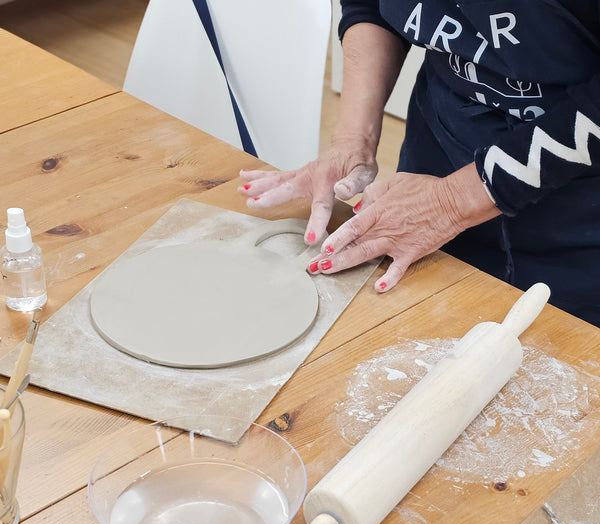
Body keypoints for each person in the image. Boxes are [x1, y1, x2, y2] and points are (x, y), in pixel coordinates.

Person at [238, 0, 600, 327]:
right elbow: (368, 5)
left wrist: (453, 201)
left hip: (579, 219)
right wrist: (353, 140)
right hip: (439, 152)